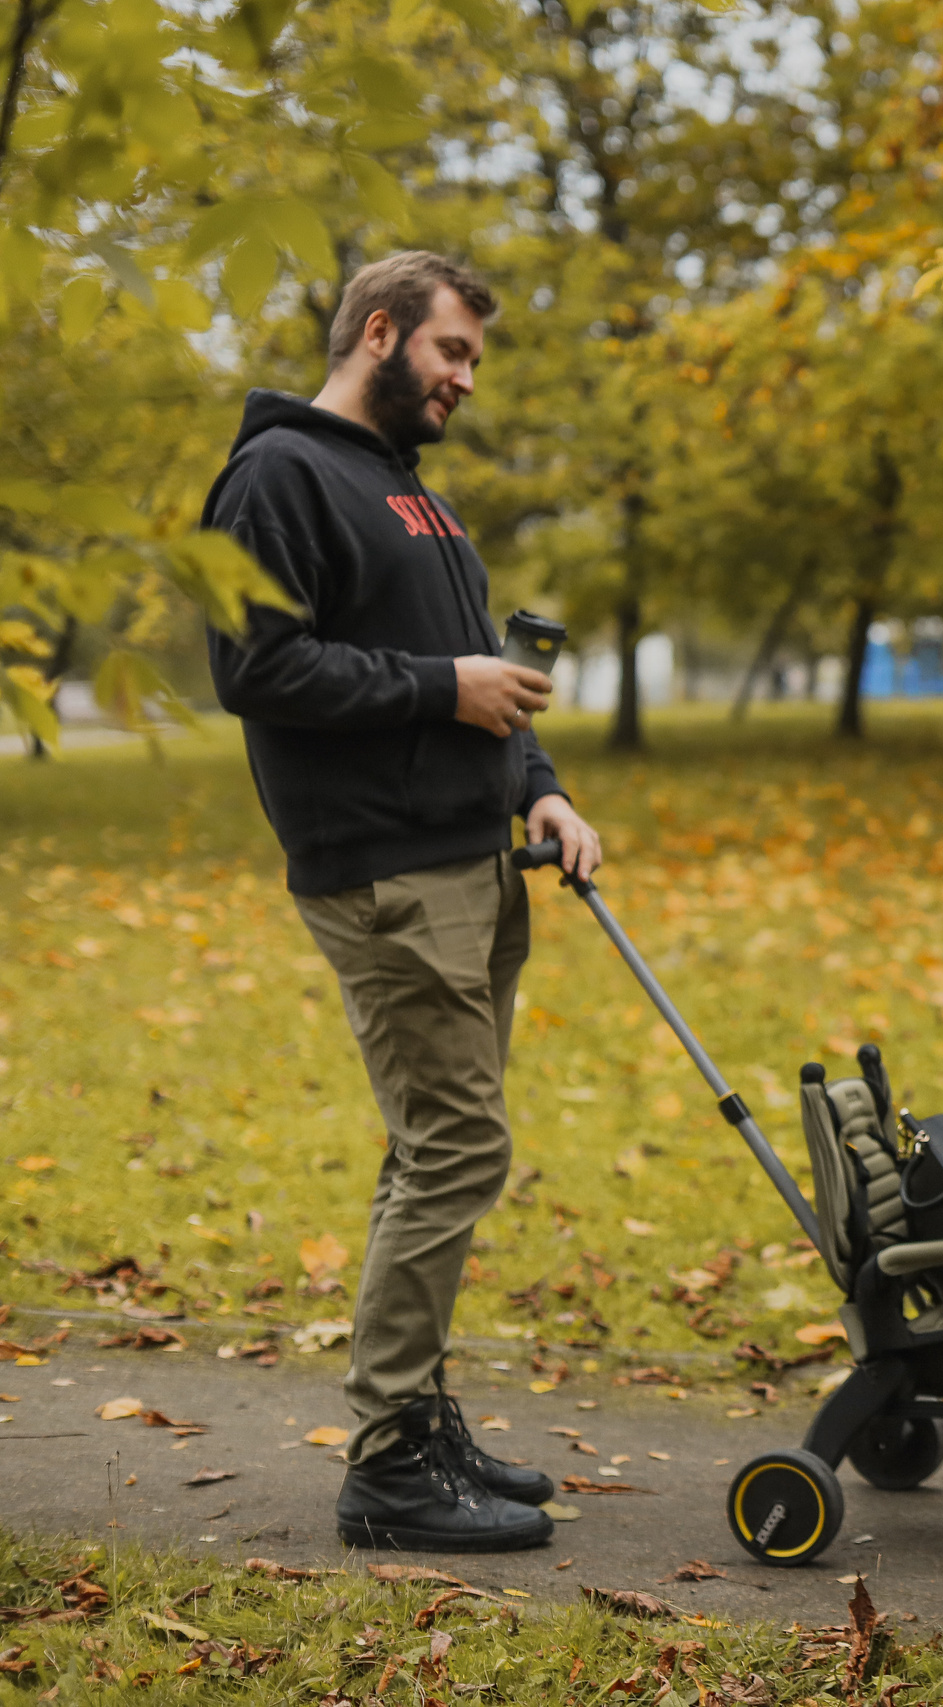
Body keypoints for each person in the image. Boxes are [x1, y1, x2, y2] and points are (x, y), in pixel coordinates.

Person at [203, 250, 604, 1553]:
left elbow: (486, 671)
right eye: (450, 352)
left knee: (430, 1143)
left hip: (471, 854)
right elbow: (256, 665)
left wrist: (538, 786)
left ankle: (417, 1415)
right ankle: (386, 1461)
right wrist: (443, 687)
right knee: (456, 1148)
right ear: (379, 333)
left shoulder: (409, 493)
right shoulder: (280, 475)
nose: (465, 379)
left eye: (472, 359)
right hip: (381, 864)